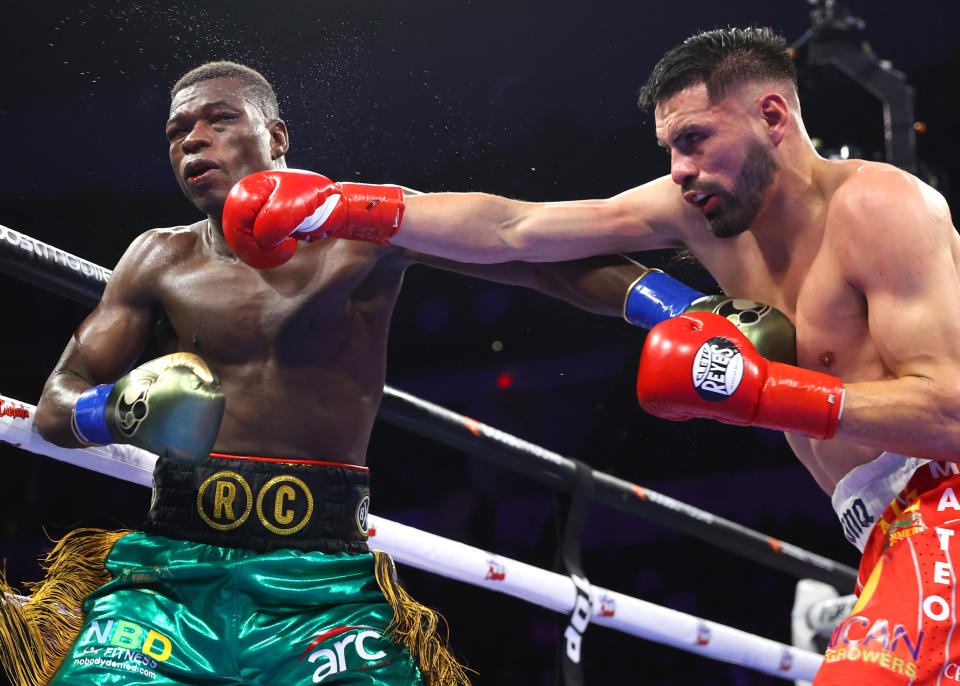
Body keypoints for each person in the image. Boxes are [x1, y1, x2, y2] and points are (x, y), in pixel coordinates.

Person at [221, 27, 960, 684]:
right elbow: (516, 228)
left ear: (773, 116)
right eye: (669, 148)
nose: (677, 169)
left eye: (696, 139)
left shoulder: (879, 207)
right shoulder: (702, 213)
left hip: (941, 501)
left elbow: (952, 416)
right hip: (878, 531)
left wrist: (764, 392)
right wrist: (346, 205)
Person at [0, 60, 669, 686]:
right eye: (177, 132)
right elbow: (55, 405)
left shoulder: (362, 231)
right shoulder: (156, 258)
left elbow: (527, 251)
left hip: (323, 584)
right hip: (173, 570)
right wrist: (114, 410)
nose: (194, 142)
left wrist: (673, 309)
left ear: (277, 135)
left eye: (218, 120)